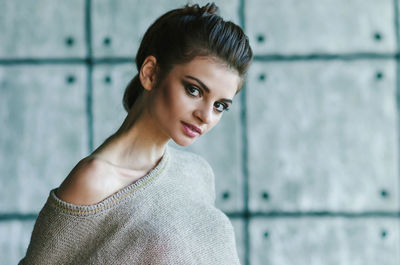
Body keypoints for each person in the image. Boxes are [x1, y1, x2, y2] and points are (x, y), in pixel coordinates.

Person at [19, 2, 253, 264]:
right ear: (150, 73)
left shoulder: (197, 172)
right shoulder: (94, 181)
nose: (206, 116)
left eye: (220, 106)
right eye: (194, 90)